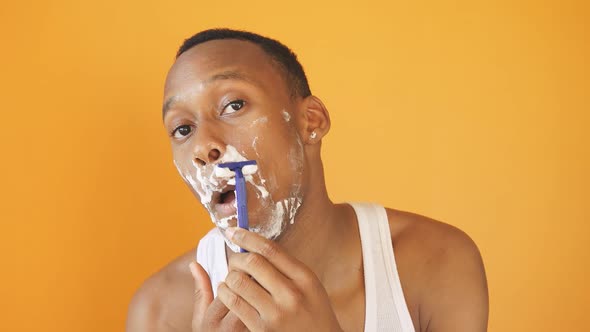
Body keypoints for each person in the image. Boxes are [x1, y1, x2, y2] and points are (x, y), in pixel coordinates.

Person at [126, 28, 488, 332]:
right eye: (183, 128)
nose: (203, 146)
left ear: (311, 121)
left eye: (233, 105)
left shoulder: (437, 263)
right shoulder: (159, 310)